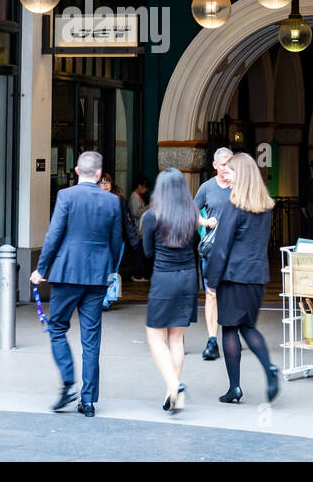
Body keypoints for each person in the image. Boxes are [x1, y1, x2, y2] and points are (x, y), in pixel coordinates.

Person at [30, 149, 123, 417]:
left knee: (57, 327)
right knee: (91, 338)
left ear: (77, 171)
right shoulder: (112, 202)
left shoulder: (66, 196)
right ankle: (89, 400)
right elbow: (116, 243)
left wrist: (41, 269)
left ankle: (69, 382)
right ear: (99, 173)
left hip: (67, 273)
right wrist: (108, 269)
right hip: (97, 278)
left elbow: (54, 234)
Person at [205, 152, 279, 404]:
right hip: (257, 276)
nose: (226, 174)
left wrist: (212, 281)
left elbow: (221, 247)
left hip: (234, 277)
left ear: (243, 175)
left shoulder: (233, 207)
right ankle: (269, 367)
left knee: (229, 329)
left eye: (231, 171)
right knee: (248, 327)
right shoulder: (265, 208)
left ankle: (234, 387)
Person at [142, 168, 198, 412]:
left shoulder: (151, 216)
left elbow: (147, 251)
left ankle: (174, 384)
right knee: (176, 336)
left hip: (164, 277)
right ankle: (171, 390)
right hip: (188, 277)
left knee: (155, 335)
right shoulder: (191, 214)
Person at [194, 147, 233, 361]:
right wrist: (204, 221)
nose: (228, 168)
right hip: (212, 249)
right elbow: (192, 212)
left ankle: (231, 334)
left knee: (231, 293)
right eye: (224, 164)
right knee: (212, 293)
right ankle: (212, 340)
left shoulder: (239, 187)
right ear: (215, 165)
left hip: (235, 251)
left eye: (231, 163)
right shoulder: (207, 188)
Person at [99, 173, 134, 311]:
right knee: (102, 269)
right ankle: (100, 298)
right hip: (101, 241)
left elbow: (127, 222)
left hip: (117, 241)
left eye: (107, 182)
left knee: (114, 268)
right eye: (101, 183)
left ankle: (109, 299)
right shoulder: (94, 200)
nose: (105, 185)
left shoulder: (119, 201)